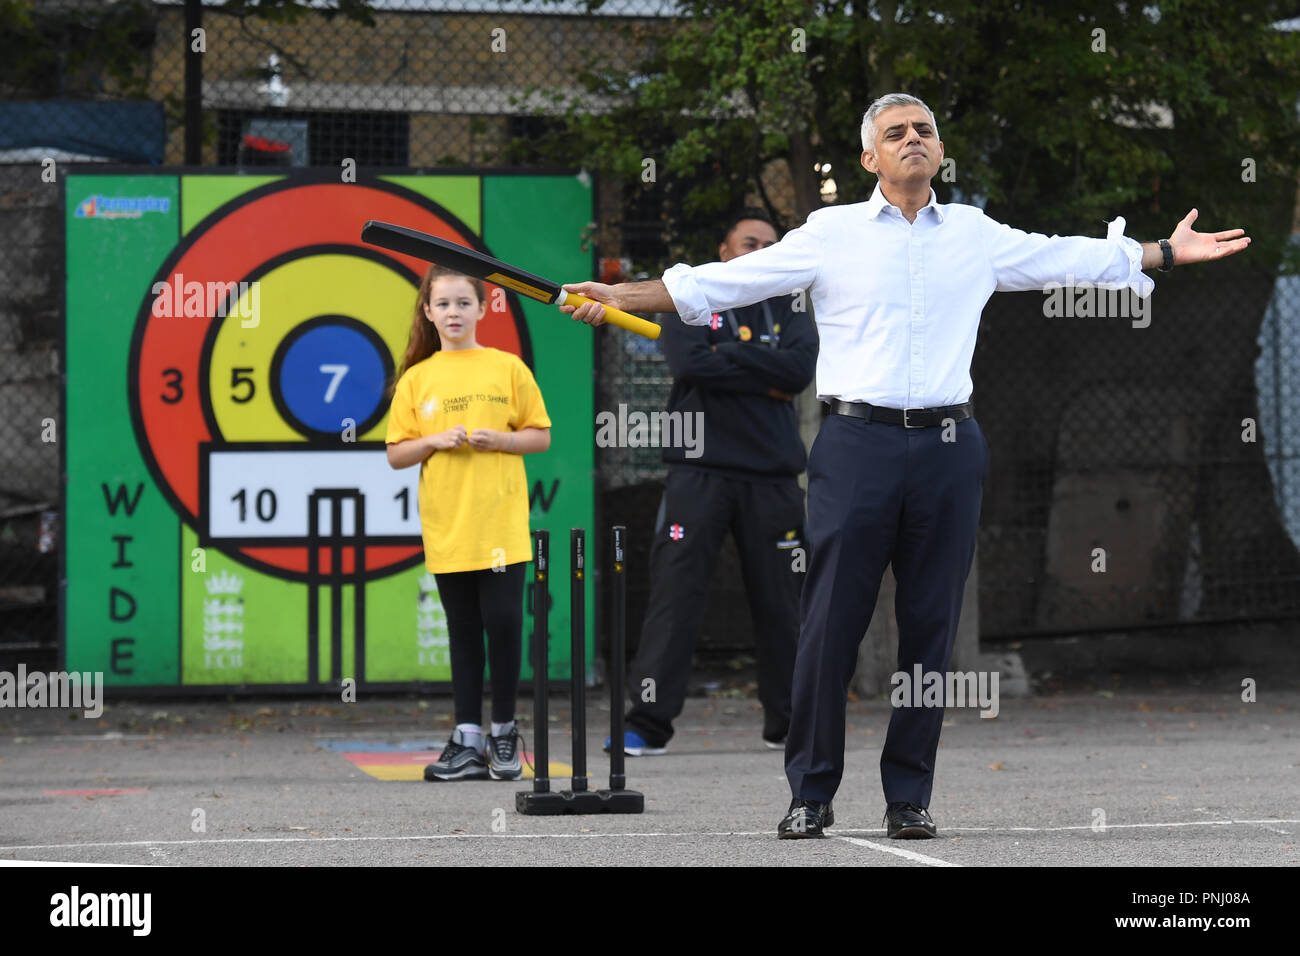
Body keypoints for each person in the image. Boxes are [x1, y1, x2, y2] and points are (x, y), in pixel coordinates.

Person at [561, 92, 1250, 838]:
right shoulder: (831, 233)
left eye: (924, 129)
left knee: (931, 628)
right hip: (856, 446)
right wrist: (620, 294)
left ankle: (908, 797)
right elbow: (722, 283)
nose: (913, 138)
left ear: (939, 149)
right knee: (828, 624)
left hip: (952, 450)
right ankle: (810, 793)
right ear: (871, 158)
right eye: (896, 132)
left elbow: (1065, 255)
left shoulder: (974, 235)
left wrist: (1167, 252)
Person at [607, 209, 818, 757]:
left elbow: (798, 370)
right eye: (749, 242)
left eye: (769, 245)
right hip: (698, 472)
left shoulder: (791, 303)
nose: (759, 251)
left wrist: (732, 359)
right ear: (724, 251)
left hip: (772, 476)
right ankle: (647, 723)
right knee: (675, 595)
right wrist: (761, 370)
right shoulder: (692, 293)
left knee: (783, 602)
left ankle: (789, 722)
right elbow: (690, 364)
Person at [386, 264, 552, 781]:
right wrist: (434, 440)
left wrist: (501, 440)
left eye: (464, 303)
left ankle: (503, 732)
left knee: (502, 625)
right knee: (462, 631)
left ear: (483, 309)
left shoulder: (508, 368)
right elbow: (396, 453)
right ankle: (467, 738)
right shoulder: (417, 378)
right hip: (448, 525)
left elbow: (540, 436)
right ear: (429, 312)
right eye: (443, 304)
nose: (454, 312)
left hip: (500, 524)